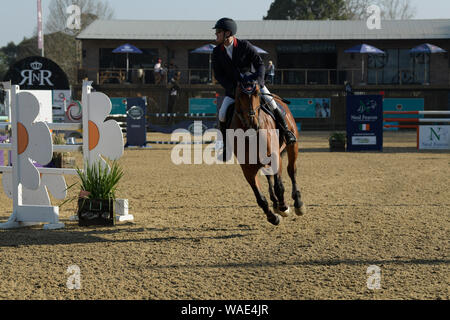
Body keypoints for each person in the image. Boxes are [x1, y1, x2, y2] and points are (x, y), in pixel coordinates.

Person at [212, 17, 296, 157]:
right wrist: (232, 88)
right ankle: (226, 145)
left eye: (218, 32)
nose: (216, 35)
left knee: (273, 104)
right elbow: (219, 75)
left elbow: (260, 65)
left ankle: (287, 132)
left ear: (228, 33)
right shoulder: (216, 52)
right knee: (222, 114)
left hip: (253, 85)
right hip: (234, 89)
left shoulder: (245, 46)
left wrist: (260, 82)